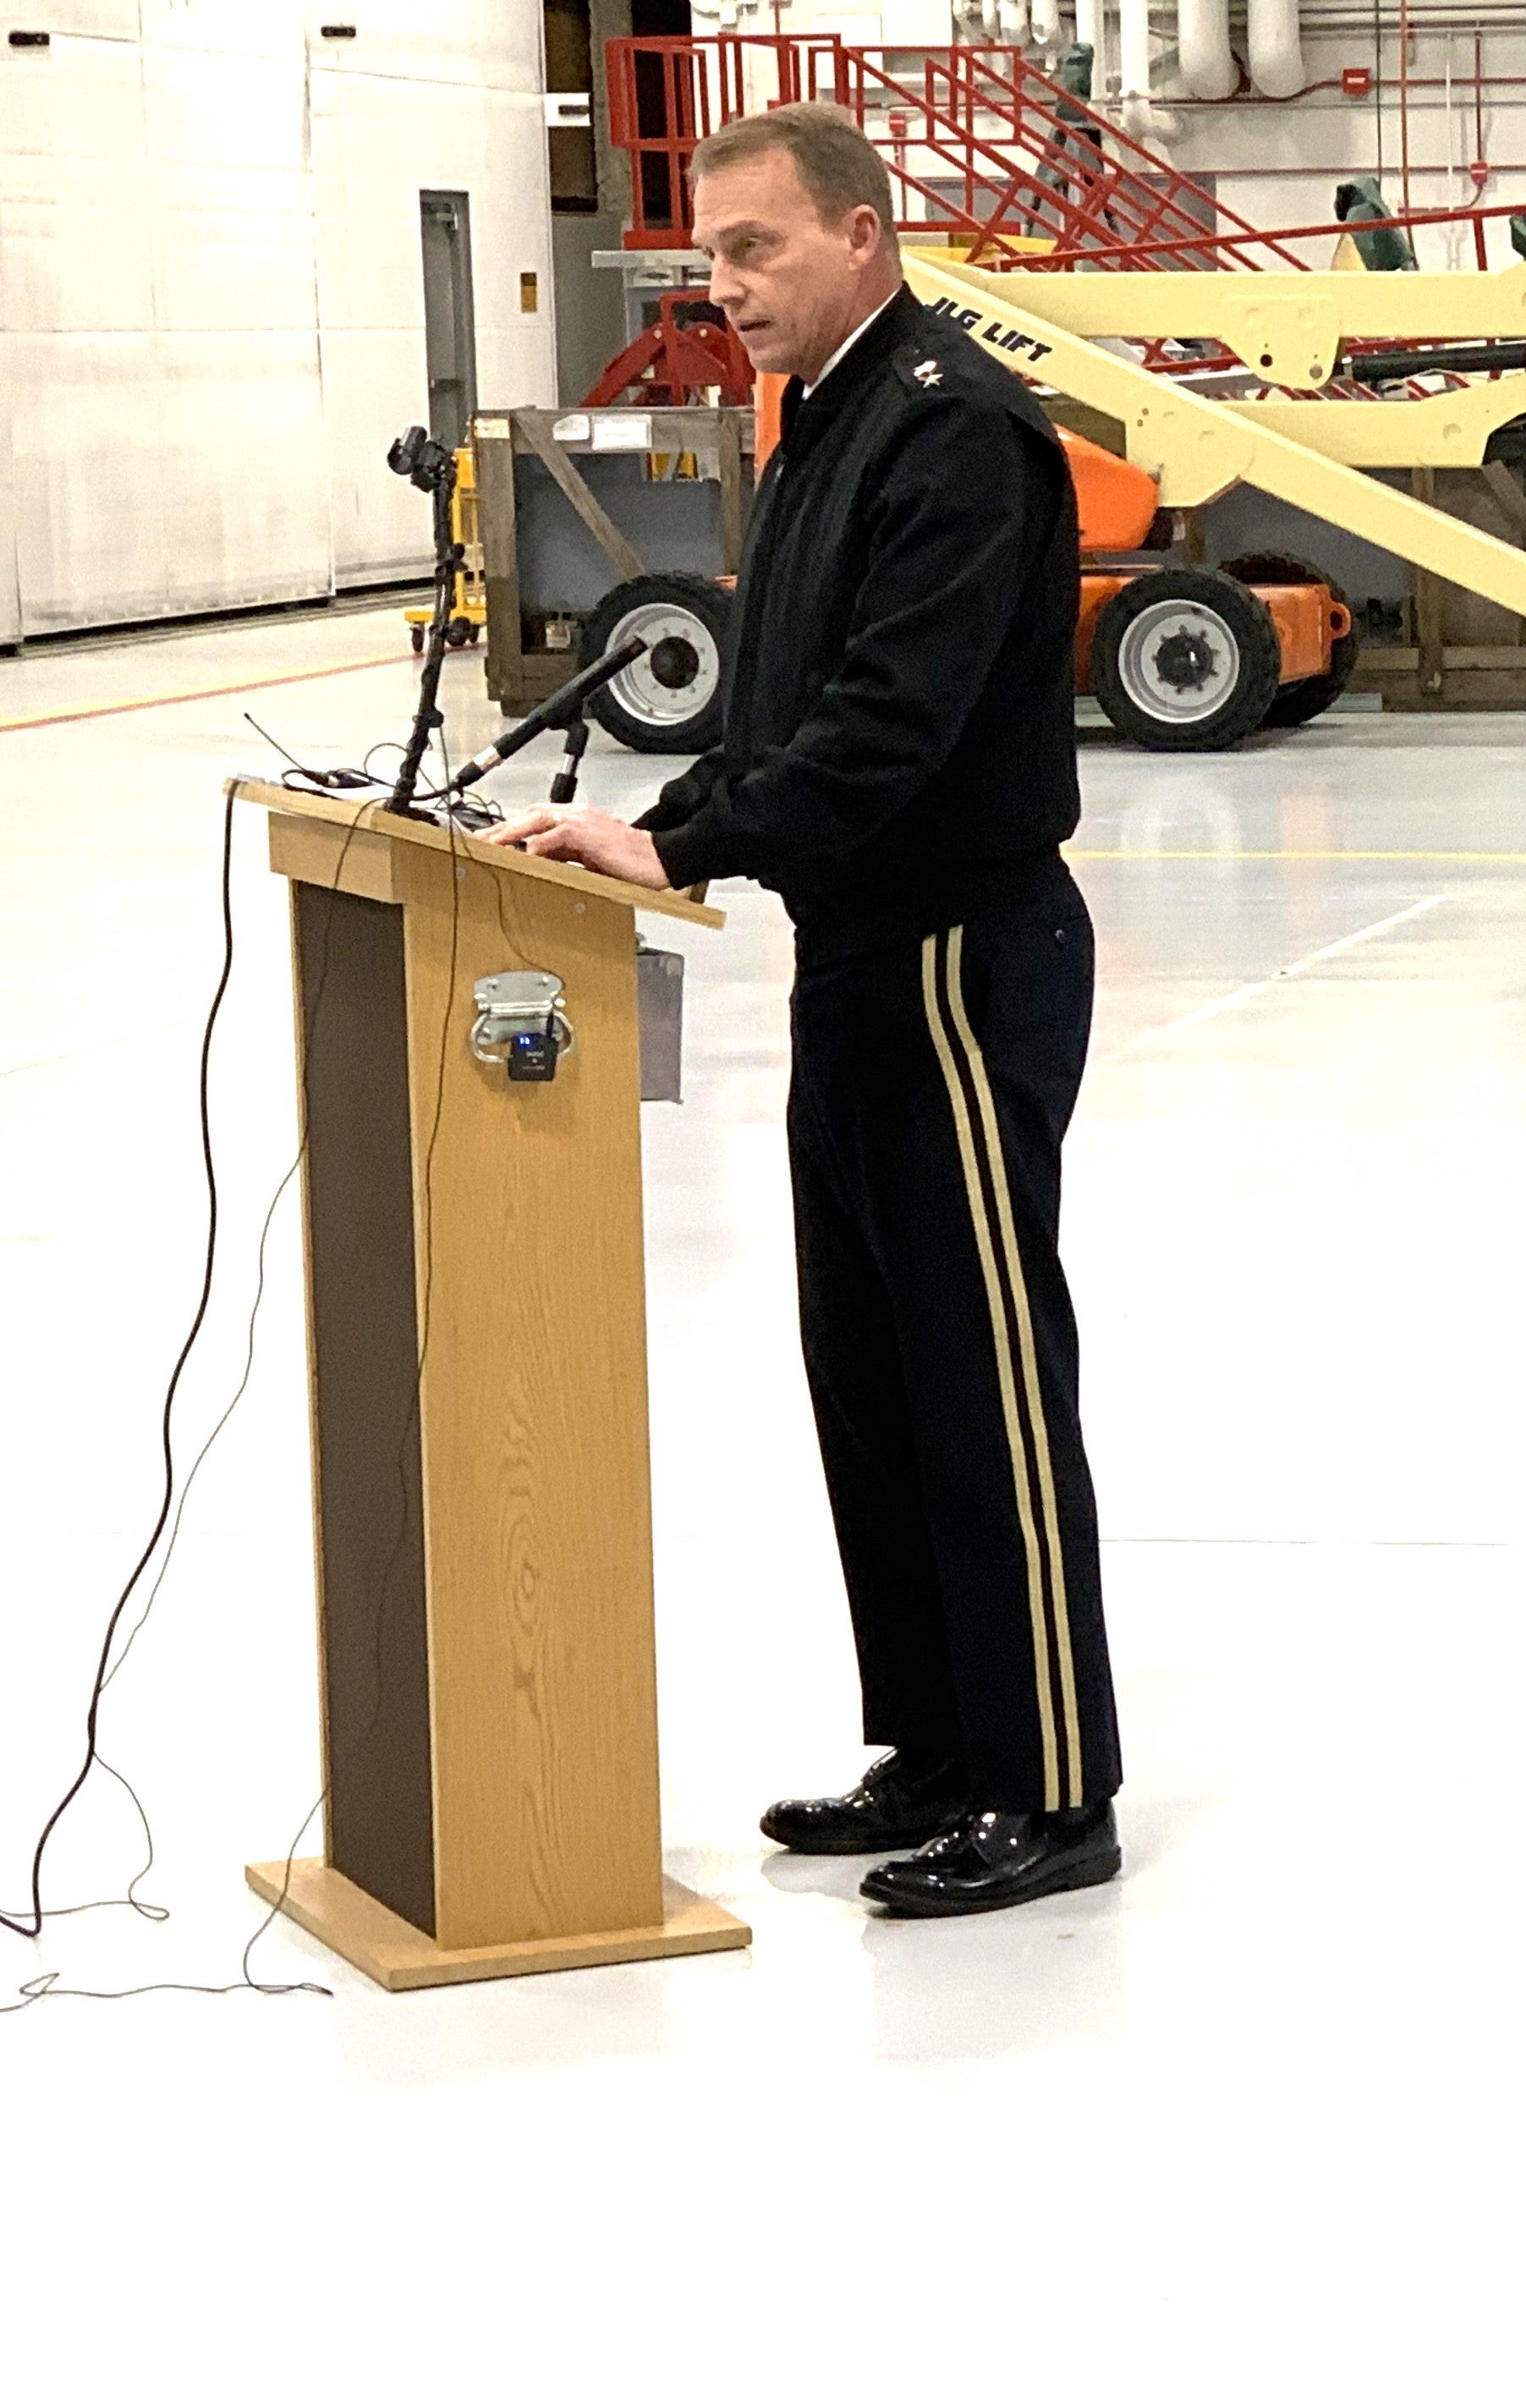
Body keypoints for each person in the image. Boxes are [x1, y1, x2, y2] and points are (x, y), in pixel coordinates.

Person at [487, 102, 1123, 1919]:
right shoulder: (836, 417)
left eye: (756, 247)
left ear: (862, 234)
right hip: (853, 956)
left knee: (983, 1375)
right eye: (711, 254)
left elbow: (885, 730)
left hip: (952, 958)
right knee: (874, 1374)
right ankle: (933, 1745)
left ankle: (1049, 1779)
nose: (723, 284)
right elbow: (796, 703)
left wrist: (677, 834)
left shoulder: (956, 432)